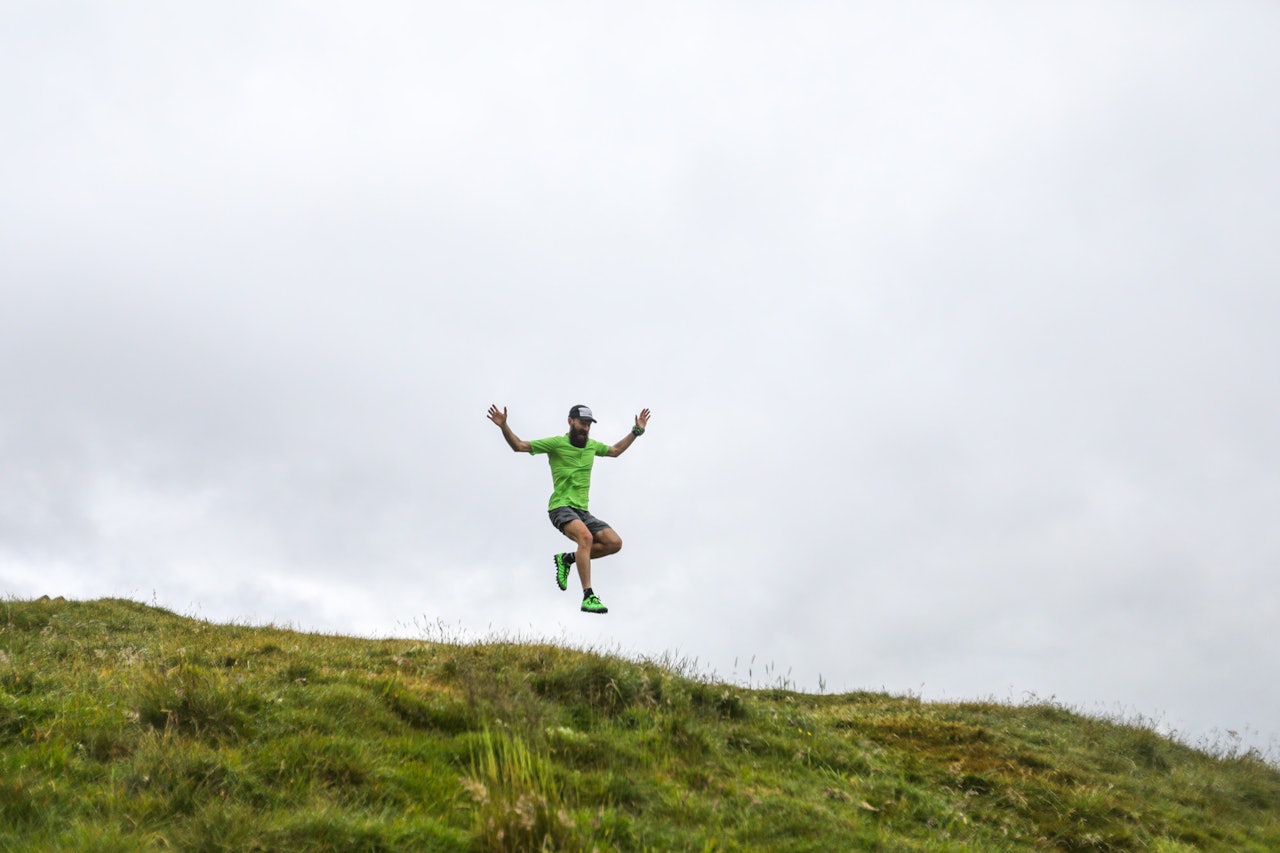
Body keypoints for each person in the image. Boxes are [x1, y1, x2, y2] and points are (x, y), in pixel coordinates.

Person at [487, 403, 651, 614]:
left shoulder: (592, 446)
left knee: (614, 543)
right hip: (560, 507)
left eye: (588, 425)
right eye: (582, 424)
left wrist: (636, 431)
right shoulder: (557, 444)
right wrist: (504, 426)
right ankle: (588, 596)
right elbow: (519, 445)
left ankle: (567, 559)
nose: (585, 429)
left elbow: (615, 451)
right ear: (570, 421)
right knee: (586, 538)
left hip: (583, 512)